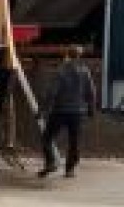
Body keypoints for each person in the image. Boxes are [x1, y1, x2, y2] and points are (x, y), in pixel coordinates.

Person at [38, 44, 97, 179]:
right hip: (78, 113)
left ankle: (50, 163)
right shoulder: (85, 71)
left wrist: (43, 110)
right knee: (74, 141)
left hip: (60, 111)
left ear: (67, 55)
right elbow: (91, 92)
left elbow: (52, 93)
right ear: (79, 55)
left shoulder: (61, 71)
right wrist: (91, 109)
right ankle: (69, 170)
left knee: (47, 137)